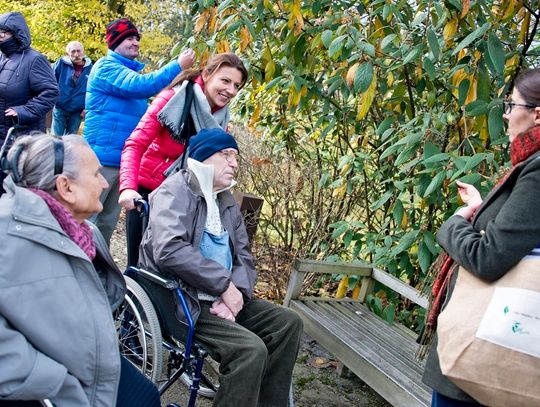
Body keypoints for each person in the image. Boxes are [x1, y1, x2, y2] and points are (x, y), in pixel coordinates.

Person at [139, 128, 303, 407]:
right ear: (203, 157)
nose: (234, 163)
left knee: (288, 323)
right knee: (249, 351)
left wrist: (236, 294)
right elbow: (169, 250)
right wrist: (224, 286)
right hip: (182, 301)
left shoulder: (225, 200)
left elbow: (244, 257)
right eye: (226, 155)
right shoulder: (175, 191)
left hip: (220, 297)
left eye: (236, 157)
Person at [0, 134, 160, 407]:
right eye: (96, 173)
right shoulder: (8, 234)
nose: (105, 182)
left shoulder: (86, 233)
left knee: (146, 396)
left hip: (88, 359)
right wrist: (53, 383)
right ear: (66, 187)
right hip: (49, 385)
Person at [421, 68, 540, 406]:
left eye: (511, 104)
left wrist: (456, 223)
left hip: (485, 356)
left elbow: (489, 257)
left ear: (536, 114)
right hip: (501, 342)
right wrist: (481, 206)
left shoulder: (537, 168)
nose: (505, 113)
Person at [119, 52, 248, 266]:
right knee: (140, 266)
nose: (231, 90)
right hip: (150, 193)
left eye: (236, 85)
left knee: (174, 268)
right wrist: (127, 188)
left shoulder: (220, 117)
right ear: (207, 74)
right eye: (225, 81)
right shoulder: (173, 99)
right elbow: (135, 144)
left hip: (186, 199)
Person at [84, 17, 195, 245]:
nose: (135, 43)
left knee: (107, 222)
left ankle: (96, 271)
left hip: (123, 162)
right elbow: (141, 86)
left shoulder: (126, 70)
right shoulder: (106, 67)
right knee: (88, 218)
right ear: (114, 43)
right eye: (128, 38)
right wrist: (178, 65)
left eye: (136, 38)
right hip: (101, 159)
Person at [0, 11, 58, 196]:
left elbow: (51, 92)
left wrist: (23, 111)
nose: (0, 36)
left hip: (20, 138)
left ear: (17, 33)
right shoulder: (3, 57)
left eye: (4, 32)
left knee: (14, 191)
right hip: (2, 135)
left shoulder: (34, 59)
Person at [51, 41, 92, 135]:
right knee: (55, 138)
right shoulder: (60, 64)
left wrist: (87, 107)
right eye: (73, 51)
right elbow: (52, 82)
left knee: (71, 139)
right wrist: (53, 100)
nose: (76, 54)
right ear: (68, 53)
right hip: (60, 107)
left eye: (79, 51)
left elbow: (92, 90)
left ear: (83, 51)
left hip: (77, 110)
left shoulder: (90, 68)